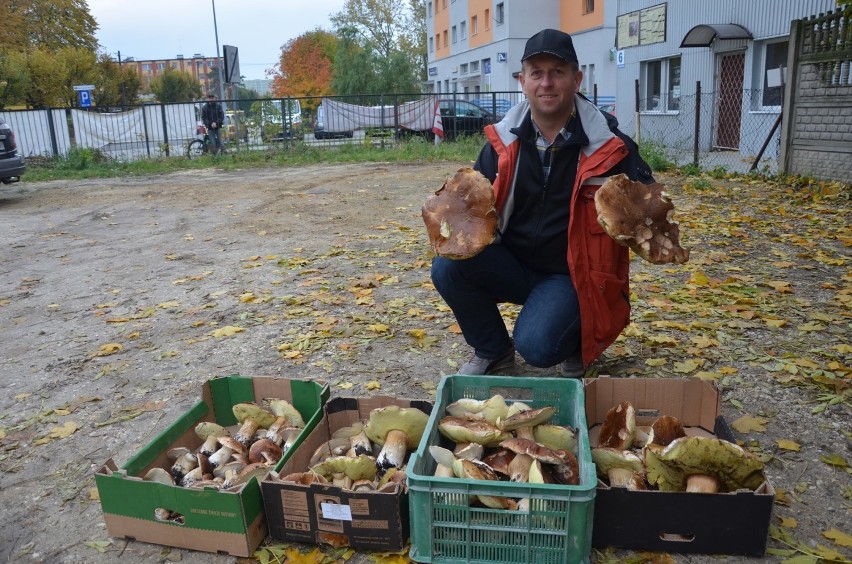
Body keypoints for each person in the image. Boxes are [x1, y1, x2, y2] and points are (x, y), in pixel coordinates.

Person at [431, 29, 655, 377]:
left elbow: (650, 218)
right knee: (446, 267)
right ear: (523, 81)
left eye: (558, 72)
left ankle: (576, 340)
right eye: (537, 73)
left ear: (576, 79)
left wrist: (638, 220)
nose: (546, 83)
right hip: (513, 263)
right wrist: (447, 218)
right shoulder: (501, 143)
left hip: (571, 275)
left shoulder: (610, 147)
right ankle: (493, 350)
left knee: (537, 345)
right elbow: (469, 208)